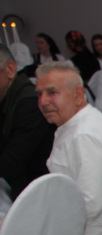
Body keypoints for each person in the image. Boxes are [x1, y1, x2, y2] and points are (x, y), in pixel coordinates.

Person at [35, 62, 102, 235]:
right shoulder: (77, 124)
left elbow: (89, 205)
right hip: (81, 225)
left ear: (77, 94)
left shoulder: (84, 135)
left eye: (52, 93)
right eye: (39, 94)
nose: (43, 101)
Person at [0, 44, 54, 200]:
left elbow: (11, 164)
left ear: (10, 69)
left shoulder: (30, 103)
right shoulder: (8, 97)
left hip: (40, 195)